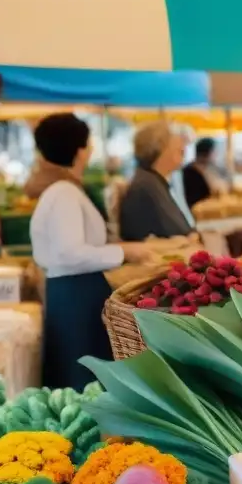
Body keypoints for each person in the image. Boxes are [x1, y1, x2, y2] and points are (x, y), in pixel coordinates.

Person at [28, 114, 152, 390]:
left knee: (83, 378)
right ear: (81, 150)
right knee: (83, 382)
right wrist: (124, 252)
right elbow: (70, 253)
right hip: (76, 296)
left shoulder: (63, 190)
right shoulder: (63, 193)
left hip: (75, 293)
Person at [119, 121, 194, 242]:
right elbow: (174, 232)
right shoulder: (145, 186)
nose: (182, 144)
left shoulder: (153, 182)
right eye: (175, 139)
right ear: (159, 147)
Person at [182, 137, 216, 209]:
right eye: (214, 152)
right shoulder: (192, 173)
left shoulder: (190, 169)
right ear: (208, 153)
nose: (215, 155)